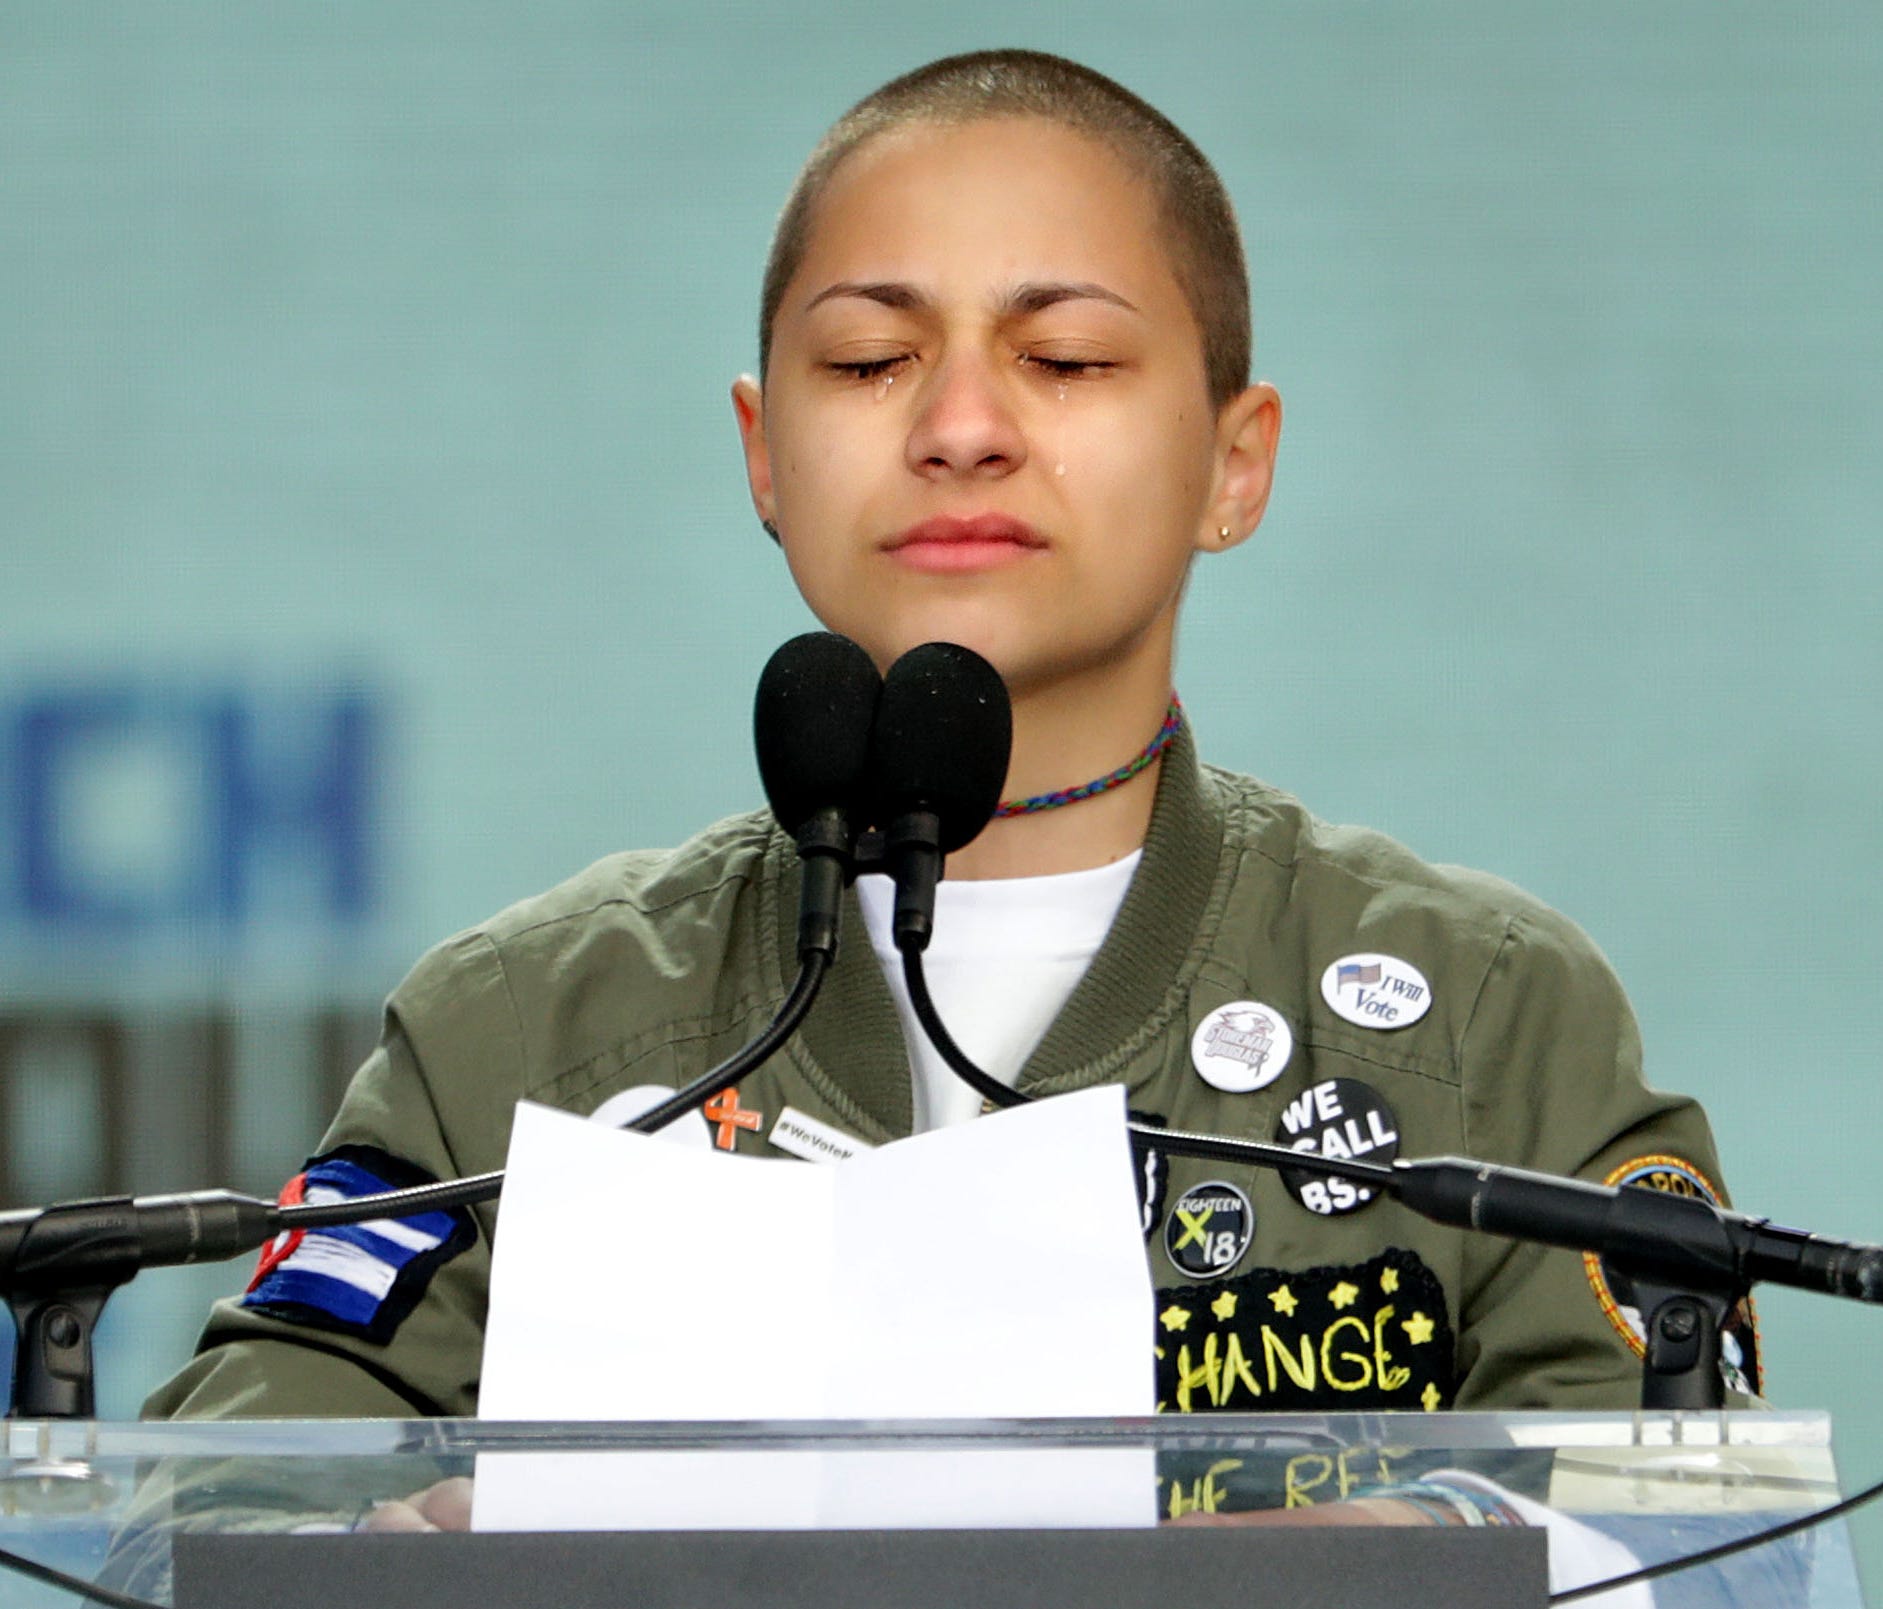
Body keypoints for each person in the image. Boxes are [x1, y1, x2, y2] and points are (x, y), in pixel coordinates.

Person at [147, 46, 1754, 1466]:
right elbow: (220, 1495)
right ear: (764, 453)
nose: (964, 424)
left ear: (1235, 462)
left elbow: (1686, 1535)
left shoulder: (1486, 1020)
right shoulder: (521, 1034)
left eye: (1065, 360)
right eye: (868, 361)